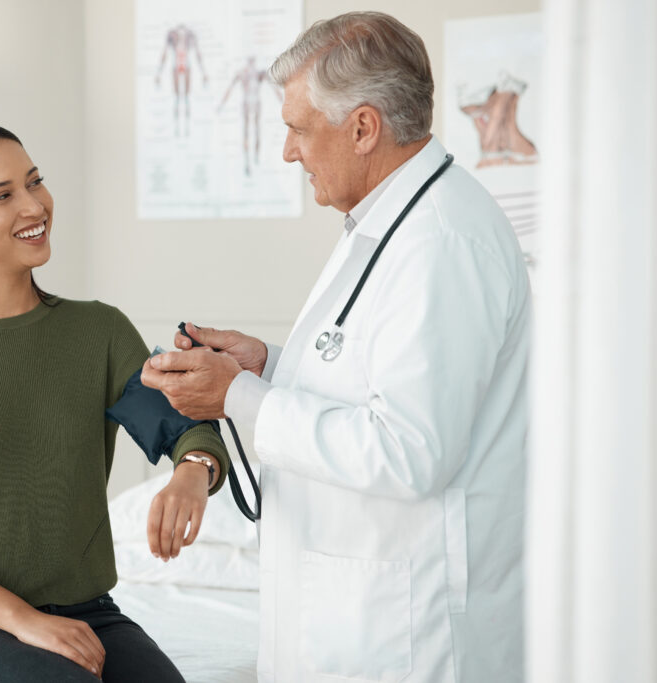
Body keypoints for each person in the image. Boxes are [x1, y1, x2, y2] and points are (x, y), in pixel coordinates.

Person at [142, 12, 531, 683]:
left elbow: (410, 450)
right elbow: (373, 367)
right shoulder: (389, 223)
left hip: (408, 634)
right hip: (359, 622)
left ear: (362, 128)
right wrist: (268, 362)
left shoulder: (440, 242)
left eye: (297, 128)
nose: (288, 151)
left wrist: (236, 395)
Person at [0, 122, 230, 682]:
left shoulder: (97, 331)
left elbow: (183, 426)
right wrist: (23, 621)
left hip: (88, 613)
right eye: (3, 195)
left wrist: (193, 470)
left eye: (35, 182)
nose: (34, 205)